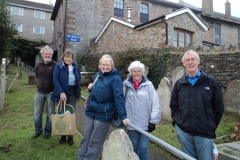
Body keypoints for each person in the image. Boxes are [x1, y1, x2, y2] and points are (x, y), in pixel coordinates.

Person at [170, 50, 224, 160]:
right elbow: (174, 106)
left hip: (204, 133)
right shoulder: (179, 84)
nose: (190, 62)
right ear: (184, 63)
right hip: (184, 133)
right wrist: (178, 124)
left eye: (193, 59)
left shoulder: (210, 82)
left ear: (198, 61)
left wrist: (210, 126)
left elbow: (218, 108)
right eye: (187, 60)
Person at [77, 54, 130, 160]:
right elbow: (98, 92)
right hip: (91, 110)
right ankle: (80, 157)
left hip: (104, 114)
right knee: (86, 137)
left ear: (112, 66)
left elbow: (119, 98)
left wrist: (123, 116)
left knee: (95, 141)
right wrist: (91, 89)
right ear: (100, 65)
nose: (105, 67)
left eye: (107, 65)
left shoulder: (116, 78)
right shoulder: (98, 75)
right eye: (103, 64)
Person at [123, 61, 161, 160]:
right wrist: (122, 116)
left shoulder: (149, 85)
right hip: (131, 123)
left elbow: (155, 104)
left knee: (143, 148)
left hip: (145, 124)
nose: (136, 73)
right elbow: (120, 101)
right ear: (131, 72)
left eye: (139, 71)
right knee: (133, 147)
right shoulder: (126, 85)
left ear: (142, 72)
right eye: (134, 71)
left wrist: (153, 121)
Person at [51, 49, 81, 145]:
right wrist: (61, 92)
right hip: (62, 94)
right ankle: (63, 136)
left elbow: (78, 80)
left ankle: (70, 136)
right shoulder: (59, 66)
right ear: (63, 57)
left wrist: (78, 92)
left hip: (72, 94)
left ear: (72, 58)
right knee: (62, 114)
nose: (68, 58)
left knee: (70, 114)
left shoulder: (76, 67)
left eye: (70, 57)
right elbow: (55, 80)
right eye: (66, 57)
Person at [32, 46, 56, 139]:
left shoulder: (56, 65)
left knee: (50, 114)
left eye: (49, 54)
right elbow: (37, 76)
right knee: (37, 113)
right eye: (46, 54)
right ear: (42, 55)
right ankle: (38, 130)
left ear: (52, 55)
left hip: (51, 93)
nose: (48, 55)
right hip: (39, 93)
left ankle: (47, 131)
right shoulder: (38, 65)